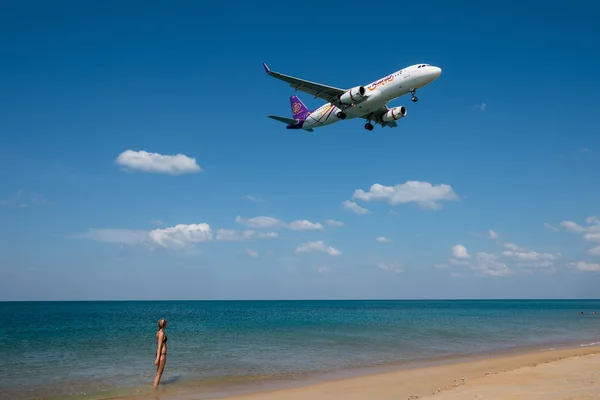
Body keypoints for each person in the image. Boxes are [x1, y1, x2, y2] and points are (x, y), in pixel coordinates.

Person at [153, 318, 168, 388]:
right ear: (164, 324)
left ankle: (155, 388)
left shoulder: (158, 332)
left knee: (158, 373)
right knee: (159, 373)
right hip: (162, 355)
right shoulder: (161, 334)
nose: (167, 323)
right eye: (166, 322)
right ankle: (155, 389)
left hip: (160, 355)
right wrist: (157, 358)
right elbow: (159, 346)